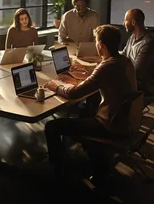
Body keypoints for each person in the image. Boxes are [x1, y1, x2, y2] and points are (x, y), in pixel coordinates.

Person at [44, 25, 137, 182]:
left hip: (109, 125)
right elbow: (104, 77)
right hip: (125, 120)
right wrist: (85, 74)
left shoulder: (107, 66)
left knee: (52, 126)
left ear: (100, 44)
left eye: (95, 41)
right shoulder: (124, 61)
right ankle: (93, 157)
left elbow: (73, 94)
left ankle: (57, 172)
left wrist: (55, 85)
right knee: (85, 110)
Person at [121, 8, 154, 94]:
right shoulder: (132, 37)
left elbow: (136, 71)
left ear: (133, 22)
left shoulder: (148, 43)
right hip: (133, 78)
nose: (123, 24)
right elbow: (123, 54)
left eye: (125, 20)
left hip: (142, 84)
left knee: (108, 80)